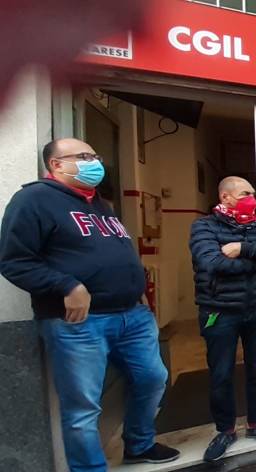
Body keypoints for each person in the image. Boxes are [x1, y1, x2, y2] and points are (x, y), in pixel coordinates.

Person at [0, 139, 180, 470]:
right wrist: (66, 285)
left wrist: (136, 288)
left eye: (95, 156)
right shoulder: (33, 200)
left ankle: (139, 444)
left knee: (153, 378)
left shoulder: (100, 204)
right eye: (83, 157)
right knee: (83, 407)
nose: (94, 162)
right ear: (56, 165)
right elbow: (14, 261)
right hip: (80, 322)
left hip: (132, 315)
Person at [189, 177, 256, 462]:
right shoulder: (204, 226)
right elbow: (213, 264)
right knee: (221, 374)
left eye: (253, 193)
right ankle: (225, 430)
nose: (252, 198)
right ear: (226, 196)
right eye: (245, 193)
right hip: (219, 312)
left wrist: (243, 249)